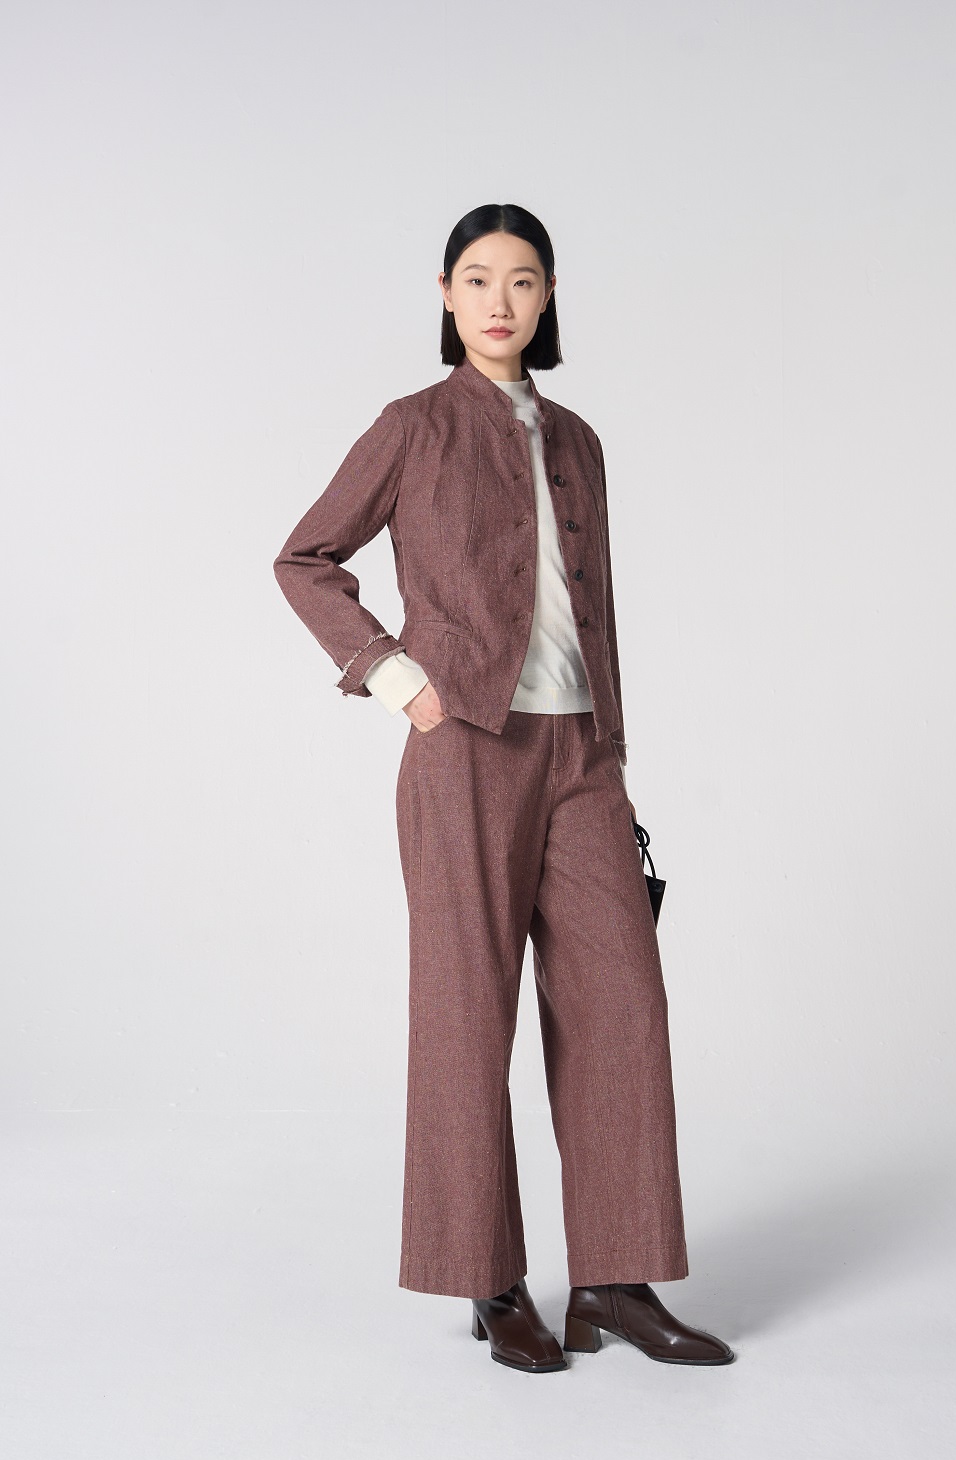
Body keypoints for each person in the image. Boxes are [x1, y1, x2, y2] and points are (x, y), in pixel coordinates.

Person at [273, 203, 734, 1374]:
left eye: (521, 280)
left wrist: (611, 749)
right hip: (464, 748)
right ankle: (490, 1284)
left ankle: (615, 1283)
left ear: (548, 296)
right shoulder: (413, 426)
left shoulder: (577, 440)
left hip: (582, 754)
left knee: (624, 1010)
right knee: (466, 1015)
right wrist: (394, 678)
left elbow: (593, 606)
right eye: (476, 279)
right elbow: (304, 557)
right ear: (445, 294)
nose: (498, 300)